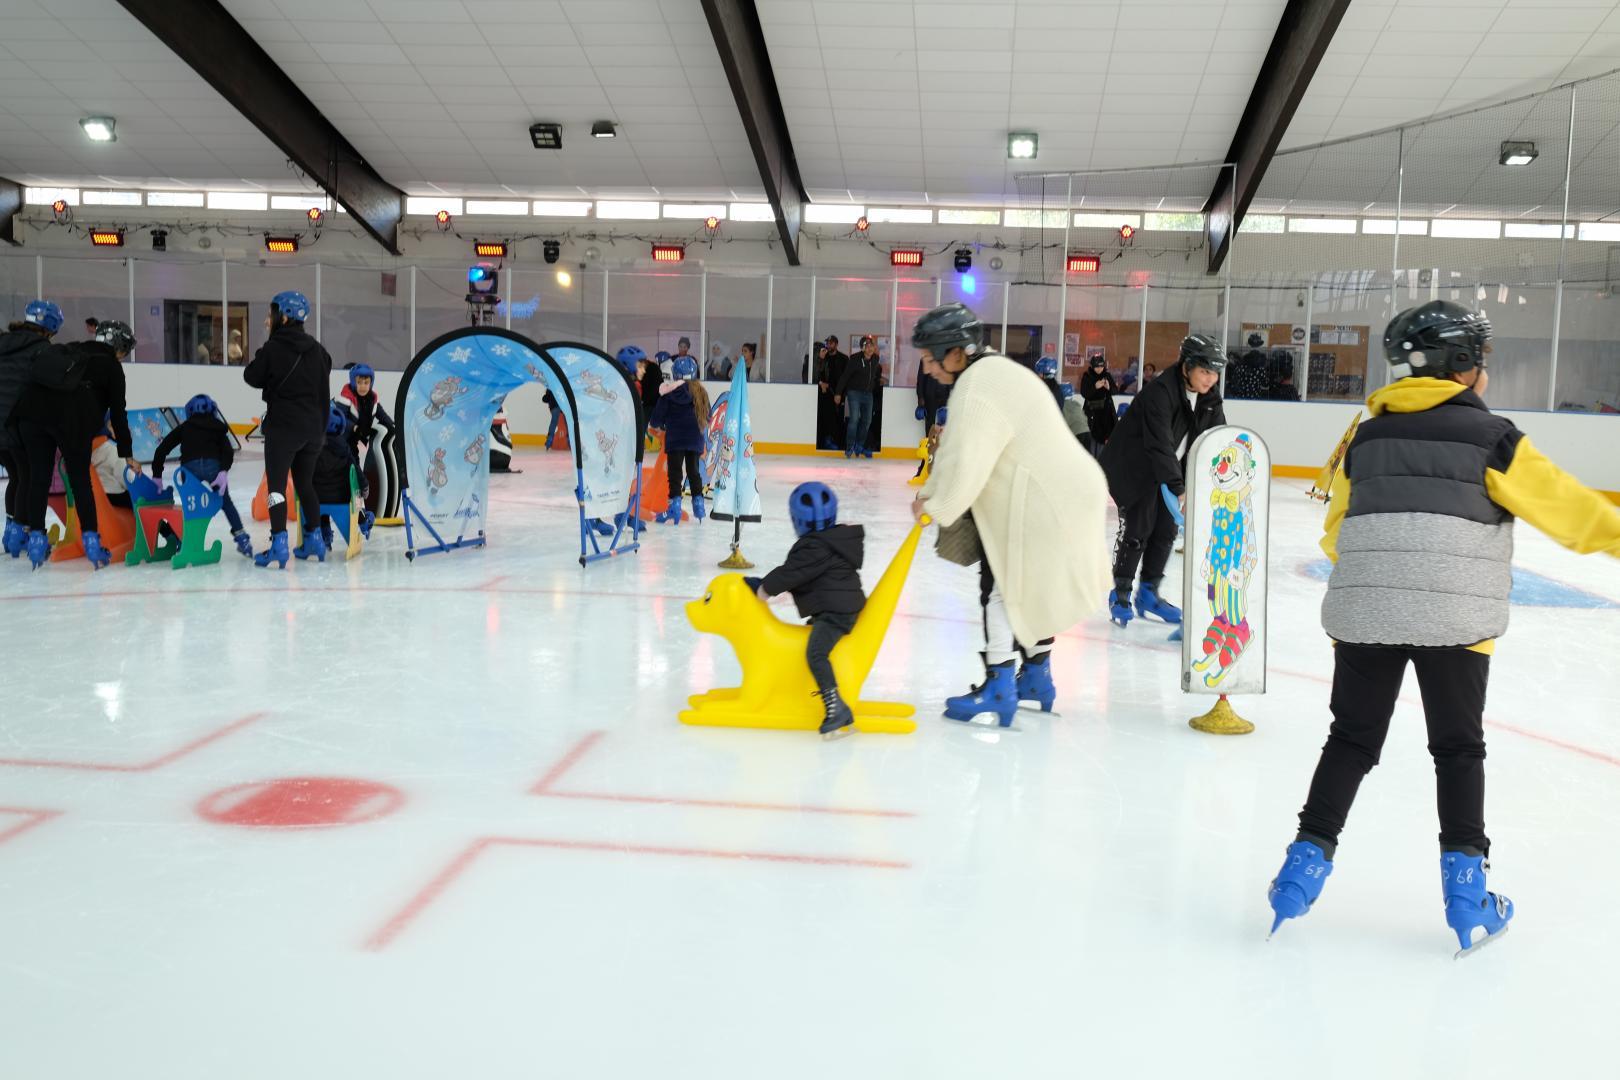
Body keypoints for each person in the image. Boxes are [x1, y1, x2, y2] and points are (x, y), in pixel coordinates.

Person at [1265, 300, 1620, 955]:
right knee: (1457, 750)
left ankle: (1299, 873)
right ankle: (1466, 894)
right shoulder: (1493, 439)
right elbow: (1574, 515)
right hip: (1456, 618)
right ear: (1465, 366)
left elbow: (1336, 526)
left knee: (1350, 741)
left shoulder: (1364, 438)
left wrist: (1383, 578)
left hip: (1365, 614)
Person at [910, 303, 1111, 726]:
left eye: (930, 358)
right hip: (1067, 492)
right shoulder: (991, 372)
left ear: (956, 353)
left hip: (1051, 500)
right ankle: (1036, 677)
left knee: (1005, 589)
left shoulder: (977, 385)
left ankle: (1000, 686)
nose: (926, 368)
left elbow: (966, 460)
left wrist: (935, 505)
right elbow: (961, 450)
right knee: (1025, 586)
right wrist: (933, 493)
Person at [1100, 333, 1227, 627]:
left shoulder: (1210, 398)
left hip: (1170, 469)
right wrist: (1180, 489)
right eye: (1205, 371)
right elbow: (1159, 444)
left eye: (1215, 373)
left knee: (1166, 531)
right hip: (1136, 468)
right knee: (1137, 530)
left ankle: (1148, 593)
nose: (1210, 379)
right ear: (1188, 365)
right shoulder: (1160, 392)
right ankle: (1120, 592)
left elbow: (1216, 438)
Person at [8, 318, 140, 569]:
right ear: (120, 347)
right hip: (70, 419)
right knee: (80, 479)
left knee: (38, 477)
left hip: (30, 413)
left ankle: (36, 539)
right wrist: (128, 454)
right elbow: (119, 415)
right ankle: (91, 541)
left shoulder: (71, 348)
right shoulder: (111, 366)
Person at [745, 482, 865, 740]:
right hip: (842, 606)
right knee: (811, 645)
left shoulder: (813, 546)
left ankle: (836, 708)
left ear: (796, 520)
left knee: (816, 653)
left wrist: (763, 588)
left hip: (836, 613)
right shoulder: (835, 540)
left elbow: (792, 573)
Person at [243, 290, 332, 568]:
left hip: (284, 429)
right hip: (314, 430)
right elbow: (325, 373)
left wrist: (267, 346)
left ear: (283, 316)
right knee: (306, 484)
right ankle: (314, 540)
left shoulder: (273, 348)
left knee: (277, 486)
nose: (268, 319)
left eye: (272, 314)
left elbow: (252, 376)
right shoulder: (318, 350)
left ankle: (279, 544)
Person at [151, 393, 253, 557]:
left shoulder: (185, 427)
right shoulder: (217, 427)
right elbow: (228, 452)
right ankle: (242, 539)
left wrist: (157, 475)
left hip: (189, 469)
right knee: (225, 502)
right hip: (213, 467)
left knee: (190, 505)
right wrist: (223, 471)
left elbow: (161, 449)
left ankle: (184, 540)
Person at [2, 302, 66, 561]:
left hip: (3, 426)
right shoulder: (41, 350)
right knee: (29, 477)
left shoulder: (5, 342)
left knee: (18, 476)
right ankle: (24, 533)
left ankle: (12, 532)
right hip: (16, 423)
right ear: (50, 328)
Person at [648, 355, 710, 524]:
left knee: (675, 474)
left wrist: (660, 424)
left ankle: (673, 509)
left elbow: (655, 420)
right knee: (694, 472)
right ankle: (699, 506)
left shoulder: (668, 393)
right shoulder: (701, 392)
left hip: (675, 439)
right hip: (695, 438)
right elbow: (708, 416)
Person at [309, 403, 373, 553]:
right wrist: (364, 486)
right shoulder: (344, 448)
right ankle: (363, 520)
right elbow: (355, 471)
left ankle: (324, 533)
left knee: (319, 497)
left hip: (314, 498)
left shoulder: (309, 448)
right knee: (354, 497)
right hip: (341, 497)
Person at [834, 334, 883, 459]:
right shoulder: (854, 359)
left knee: (867, 421)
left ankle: (859, 445)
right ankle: (850, 446)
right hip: (854, 393)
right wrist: (838, 393)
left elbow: (874, 375)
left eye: (872, 345)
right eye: (867, 346)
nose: (870, 348)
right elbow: (845, 376)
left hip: (868, 394)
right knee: (854, 419)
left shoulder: (876, 359)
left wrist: (878, 381)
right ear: (862, 348)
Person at [1080, 353, 1118, 449]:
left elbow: (1115, 391)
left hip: (1106, 414)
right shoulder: (1087, 376)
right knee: (1092, 439)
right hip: (1092, 413)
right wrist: (1095, 387)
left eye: (1101, 366)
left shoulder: (1107, 375)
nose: (1099, 369)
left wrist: (1109, 388)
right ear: (1092, 366)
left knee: (1105, 441)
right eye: (1097, 367)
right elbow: (1084, 393)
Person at [1227, 333, 1270, 399]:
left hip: (1242, 397)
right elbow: (1266, 384)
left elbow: (1234, 380)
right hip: (1256, 397)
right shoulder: (1261, 368)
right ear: (1260, 345)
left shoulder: (1242, 365)